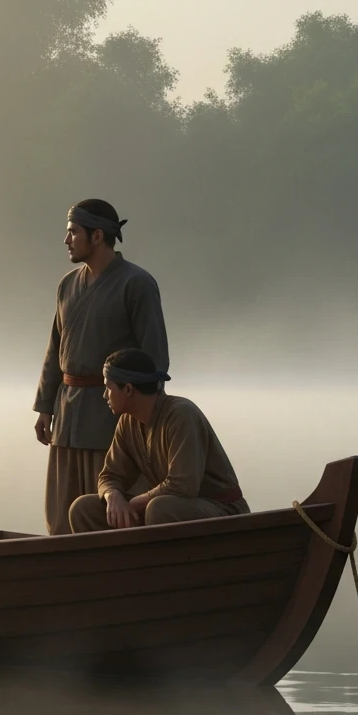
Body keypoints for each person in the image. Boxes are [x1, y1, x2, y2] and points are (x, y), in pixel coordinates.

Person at [33, 199, 169, 534]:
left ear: (97, 236)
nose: (66, 240)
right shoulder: (67, 285)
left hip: (113, 419)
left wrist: (149, 421)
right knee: (62, 515)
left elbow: (155, 358)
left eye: (72, 232)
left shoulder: (136, 284)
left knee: (112, 510)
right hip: (67, 416)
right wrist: (45, 407)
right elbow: (55, 349)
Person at [68, 348, 250, 532]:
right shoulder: (127, 421)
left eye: (108, 388)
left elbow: (183, 486)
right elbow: (110, 476)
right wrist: (112, 495)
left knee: (160, 508)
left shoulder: (182, 415)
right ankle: (119, 560)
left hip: (221, 510)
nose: (104, 395)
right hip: (164, 510)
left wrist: (133, 503)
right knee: (83, 508)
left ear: (129, 389)